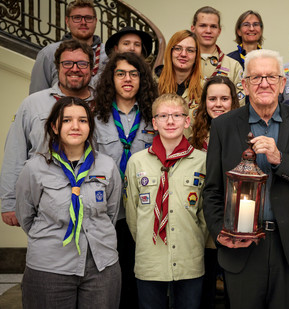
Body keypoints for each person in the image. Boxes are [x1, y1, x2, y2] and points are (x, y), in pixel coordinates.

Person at [203, 49, 289, 309]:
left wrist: (280, 159)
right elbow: (212, 190)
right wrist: (222, 235)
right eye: (256, 78)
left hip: (287, 247)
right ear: (245, 85)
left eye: (271, 77)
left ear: (282, 83)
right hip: (240, 249)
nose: (264, 83)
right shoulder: (223, 126)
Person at [15, 97, 122, 309]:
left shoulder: (107, 166)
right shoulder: (35, 168)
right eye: (67, 120)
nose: (75, 126)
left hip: (101, 266)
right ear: (54, 126)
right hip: (50, 266)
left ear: (90, 127)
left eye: (83, 120)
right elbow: (26, 216)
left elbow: (111, 213)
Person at [125, 93, 208, 309]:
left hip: (189, 259)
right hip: (150, 261)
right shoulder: (137, 162)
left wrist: (196, 239)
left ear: (187, 120)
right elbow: (133, 214)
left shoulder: (202, 162)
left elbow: (206, 214)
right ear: (154, 122)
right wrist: (145, 239)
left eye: (177, 115)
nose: (170, 121)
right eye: (163, 116)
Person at [1, 39, 95, 227]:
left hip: (93, 201)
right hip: (43, 202)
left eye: (82, 63)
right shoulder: (32, 104)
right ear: (57, 68)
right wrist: (9, 202)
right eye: (67, 63)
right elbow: (15, 152)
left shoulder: (104, 104)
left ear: (92, 69)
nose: (74, 68)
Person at [92, 51, 158, 309]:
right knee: (111, 276)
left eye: (134, 73)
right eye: (120, 73)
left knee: (139, 275)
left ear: (142, 79)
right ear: (112, 78)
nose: (127, 79)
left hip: (145, 209)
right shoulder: (96, 116)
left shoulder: (154, 115)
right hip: (109, 212)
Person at [189, 76, 240, 309]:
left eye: (224, 98)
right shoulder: (193, 138)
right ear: (204, 102)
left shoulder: (242, 133)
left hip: (233, 221)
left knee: (233, 290)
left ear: (234, 102)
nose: (218, 104)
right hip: (199, 222)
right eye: (212, 99)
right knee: (204, 290)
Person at [29, 0, 107, 94]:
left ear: (95, 21)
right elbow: (37, 94)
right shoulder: (49, 53)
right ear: (67, 21)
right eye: (77, 18)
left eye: (88, 18)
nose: (83, 22)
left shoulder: (108, 53)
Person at [191, 6, 245, 104]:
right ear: (193, 28)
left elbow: (239, 106)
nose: (208, 30)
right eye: (203, 25)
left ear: (219, 31)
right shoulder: (183, 62)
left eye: (213, 26)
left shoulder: (233, 66)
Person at [157, 30, 204, 135]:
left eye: (190, 50)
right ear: (170, 51)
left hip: (196, 150)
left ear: (197, 55)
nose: (183, 54)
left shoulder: (206, 89)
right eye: (178, 49)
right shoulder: (154, 86)